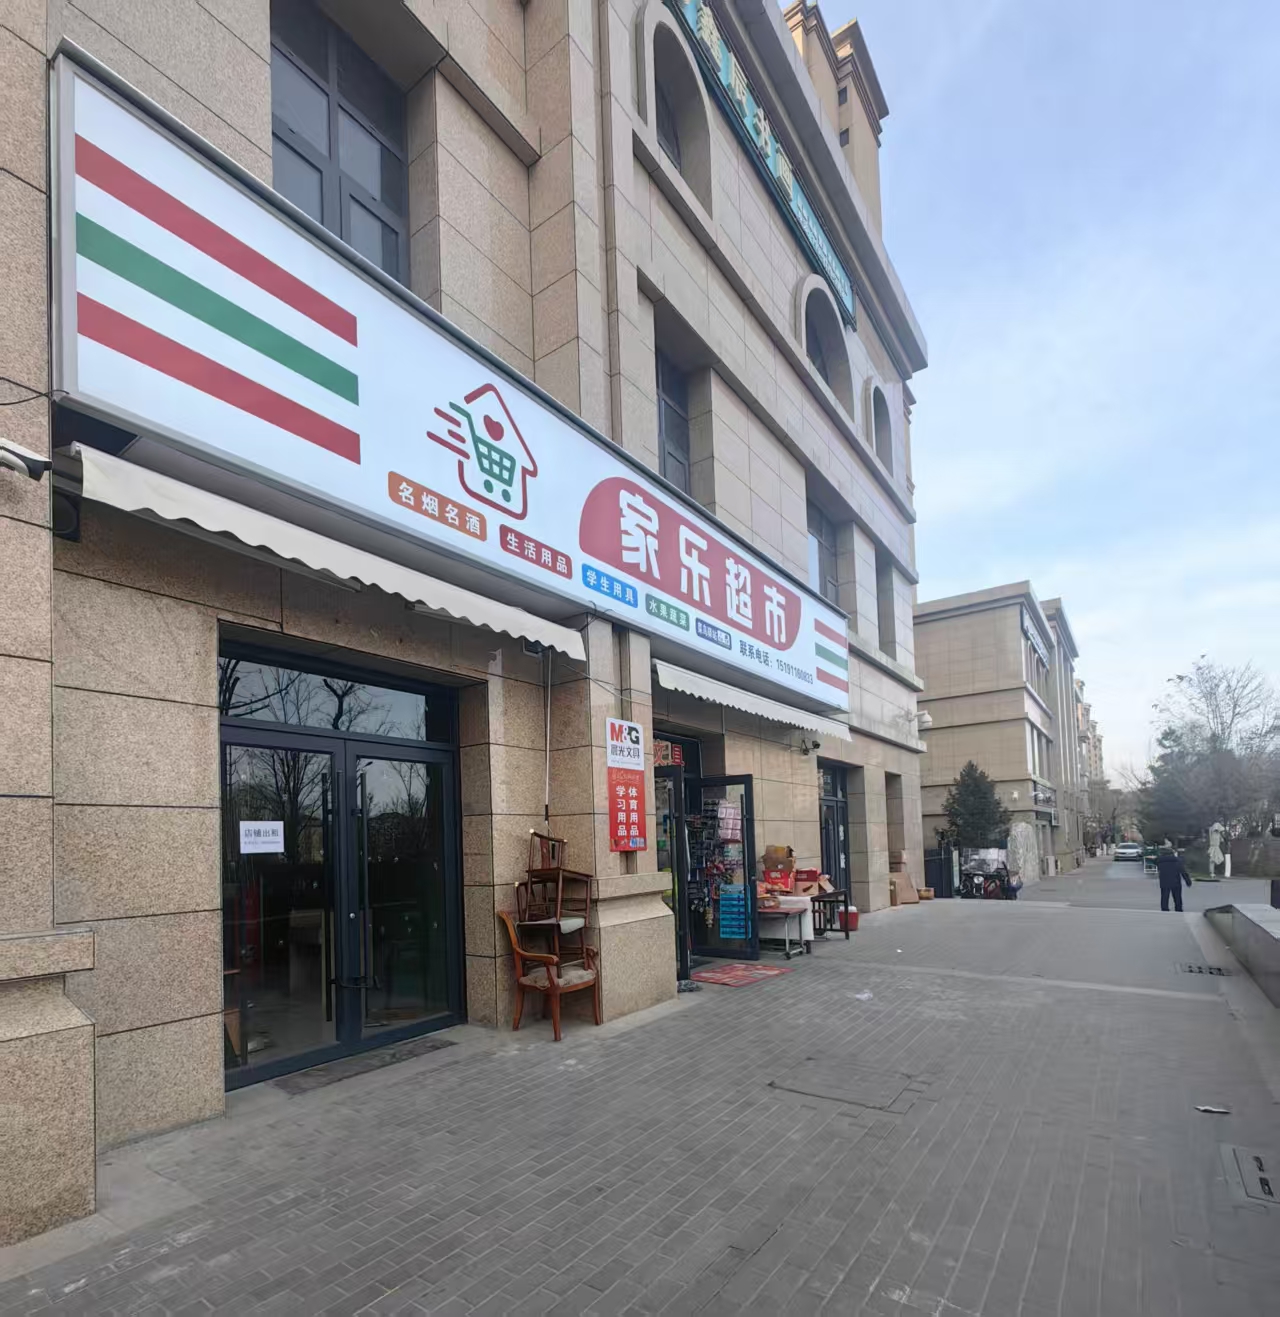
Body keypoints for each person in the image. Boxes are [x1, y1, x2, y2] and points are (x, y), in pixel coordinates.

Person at [1154, 845, 1192, 912]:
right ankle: (1178, 908)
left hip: (1164, 881)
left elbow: (1155, 862)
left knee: (1164, 896)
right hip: (1176, 881)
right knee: (1177, 896)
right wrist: (1188, 881)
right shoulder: (1178, 861)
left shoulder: (1160, 861)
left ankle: (1164, 908)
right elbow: (1183, 871)